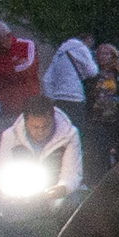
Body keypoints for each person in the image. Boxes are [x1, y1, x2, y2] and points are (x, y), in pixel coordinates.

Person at [0, 95, 85, 237]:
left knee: (71, 204)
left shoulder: (69, 135)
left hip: (55, 191)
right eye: (35, 127)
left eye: (45, 126)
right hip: (21, 192)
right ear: (26, 121)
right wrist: (10, 190)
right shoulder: (10, 136)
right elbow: (1, 171)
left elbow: (73, 173)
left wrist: (62, 188)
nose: (40, 131)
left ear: (53, 119)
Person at [39, 32, 101, 166]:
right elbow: (93, 71)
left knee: (59, 136)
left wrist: (51, 99)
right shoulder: (81, 48)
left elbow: (46, 79)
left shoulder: (60, 52)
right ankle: (75, 168)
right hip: (75, 99)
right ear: (88, 39)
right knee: (75, 137)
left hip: (58, 101)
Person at [85, 40, 119, 178]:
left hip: (117, 117)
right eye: (100, 53)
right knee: (100, 151)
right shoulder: (93, 74)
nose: (102, 56)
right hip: (98, 118)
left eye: (106, 53)